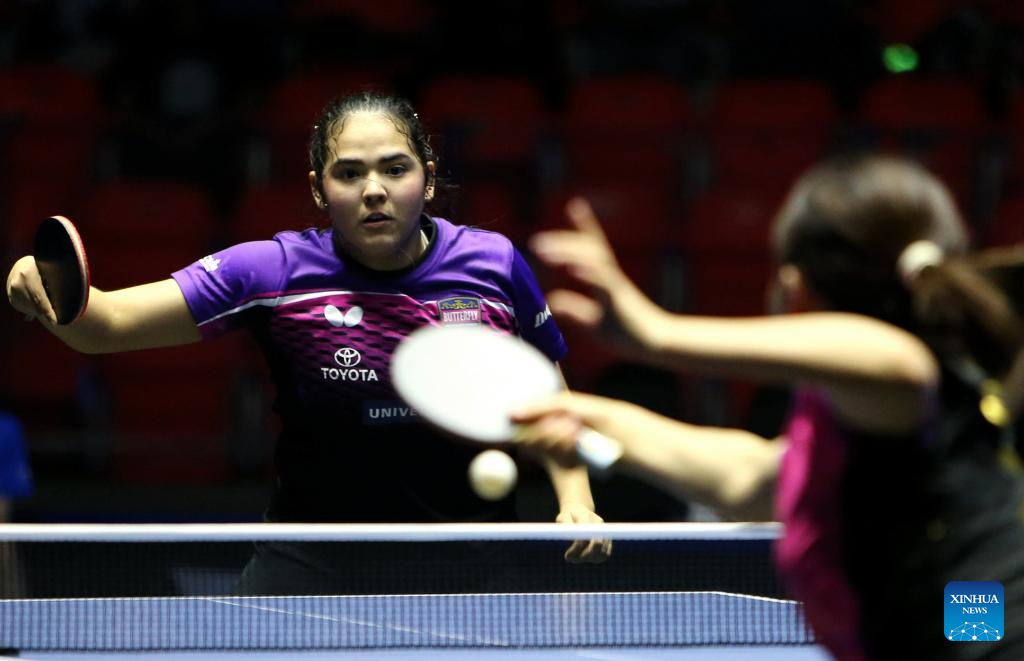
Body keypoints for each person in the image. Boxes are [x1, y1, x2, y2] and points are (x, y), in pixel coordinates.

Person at [5, 91, 610, 593]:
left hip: (473, 560)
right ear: (320, 190)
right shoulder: (271, 272)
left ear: (427, 179)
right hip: (312, 560)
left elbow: (548, 394)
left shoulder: (492, 264)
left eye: (395, 169)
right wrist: (42, 285)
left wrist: (576, 498)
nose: (373, 189)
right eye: (349, 173)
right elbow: (105, 325)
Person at [512, 154, 1024, 660]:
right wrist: (596, 421)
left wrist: (657, 333)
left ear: (793, 289)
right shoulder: (850, 414)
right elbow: (757, 479)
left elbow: (896, 364)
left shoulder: (920, 380)